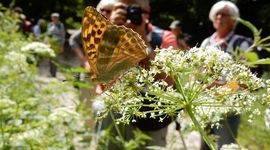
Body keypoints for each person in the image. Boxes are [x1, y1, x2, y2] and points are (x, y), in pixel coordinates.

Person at [108, 0, 177, 147]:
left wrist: (141, 38)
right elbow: (101, 80)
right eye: (124, 9)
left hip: (152, 118)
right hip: (118, 112)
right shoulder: (110, 34)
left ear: (148, 12)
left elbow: (169, 82)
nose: (130, 15)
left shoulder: (165, 37)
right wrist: (110, 34)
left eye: (135, 10)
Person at [200, 1, 250, 149]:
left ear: (233, 20)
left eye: (224, 14)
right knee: (205, 144)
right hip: (204, 105)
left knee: (225, 146)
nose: (220, 17)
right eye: (217, 14)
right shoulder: (206, 43)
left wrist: (220, 90)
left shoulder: (241, 44)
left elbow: (245, 82)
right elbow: (196, 73)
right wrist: (199, 85)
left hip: (229, 109)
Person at [47, 12, 66, 77]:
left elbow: (63, 36)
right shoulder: (49, 25)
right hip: (50, 44)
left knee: (55, 58)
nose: (55, 19)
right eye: (53, 17)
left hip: (58, 44)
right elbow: (48, 34)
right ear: (52, 18)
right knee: (50, 58)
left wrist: (62, 45)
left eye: (56, 17)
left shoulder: (61, 25)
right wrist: (47, 43)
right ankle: (50, 72)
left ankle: (54, 73)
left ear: (58, 18)